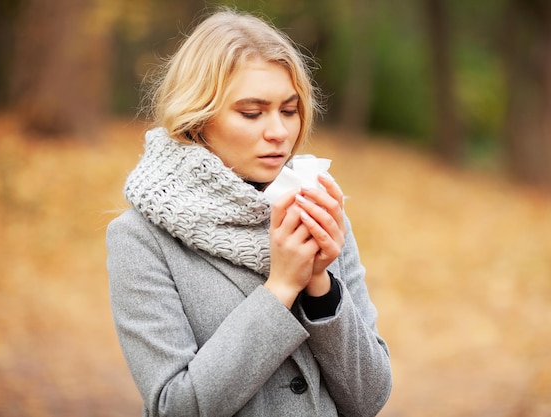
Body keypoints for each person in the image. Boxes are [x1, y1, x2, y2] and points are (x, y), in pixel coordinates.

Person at [106, 8, 392, 417]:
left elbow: (370, 397)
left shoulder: (318, 210)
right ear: (198, 118)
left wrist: (319, 285)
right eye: (252, 113)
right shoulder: (141, 238)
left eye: (289, 110)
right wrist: (280, 289)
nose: (278, 132)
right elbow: (175, 408)